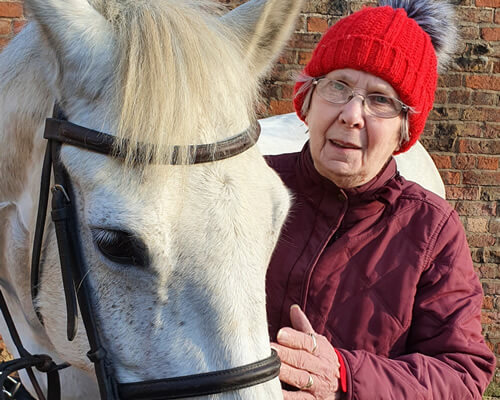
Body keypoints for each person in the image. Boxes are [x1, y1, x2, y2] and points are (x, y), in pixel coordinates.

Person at [265, 0, 496, 398]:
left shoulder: (431, 230)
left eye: (380, 100)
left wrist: (344, 375)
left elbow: (461, 374)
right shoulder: (254, 185)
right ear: (308, 99)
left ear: (404, 130)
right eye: (338, 85)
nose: (352, 114)